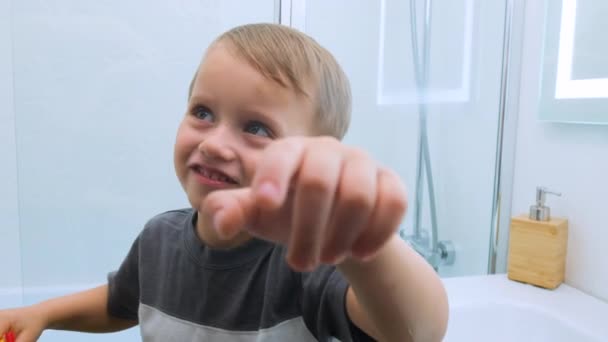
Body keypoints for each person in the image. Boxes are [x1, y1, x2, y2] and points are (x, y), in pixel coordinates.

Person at [0, 23, 448, 342]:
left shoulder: (308, 265)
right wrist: (42, 313)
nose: (214, 143)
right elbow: (121, 302)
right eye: (202, 112)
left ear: (311, 159)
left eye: (255, 128)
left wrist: (360, 244)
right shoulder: (159, 238)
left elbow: (417, 332)